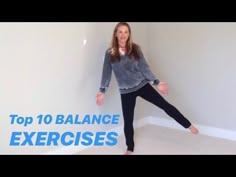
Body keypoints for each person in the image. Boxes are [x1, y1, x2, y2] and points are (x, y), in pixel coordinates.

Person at [96, 22, 199, 155]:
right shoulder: (110, 53)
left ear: (129, 34)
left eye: (126, 32)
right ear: (115, 34)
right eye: (120, 32)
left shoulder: (135, 48)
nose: (123, 35)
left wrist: (156, 82)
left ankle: (188, 125)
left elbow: (144, 67)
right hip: (126, 91)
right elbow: (106, 73)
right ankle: (130, 148)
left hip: (142, 85)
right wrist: (102, 91)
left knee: (165, 105)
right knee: (128, 121)